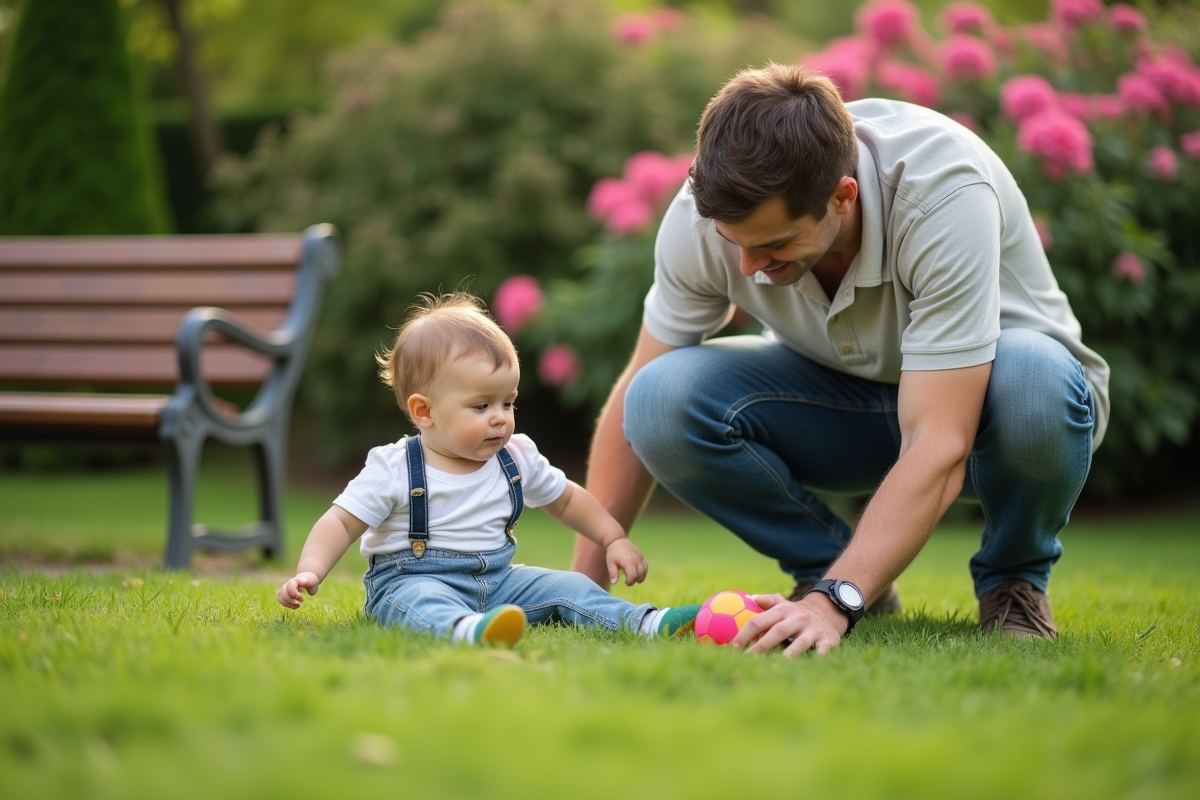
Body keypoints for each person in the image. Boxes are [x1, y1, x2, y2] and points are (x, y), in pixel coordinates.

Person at [570, 63, 1109, 656]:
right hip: (845, 409)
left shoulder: (941, 190)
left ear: (842, 196)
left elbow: (940, 440)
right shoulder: (702, 216)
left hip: (1001, 419)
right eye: (735, 242)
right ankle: (841, 573)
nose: (749, 268)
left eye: (775, 244)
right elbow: (634, 388)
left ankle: (1014, 582)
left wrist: (835, 606)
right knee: (656, 398)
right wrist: (584, 582)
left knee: (1036, 379)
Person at [276, 292, 699, 647]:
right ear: (425, 411)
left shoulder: (515, 456)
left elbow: (566, 499)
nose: (500, 417)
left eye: (508, 402)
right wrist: (310, 570)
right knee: (421, 600)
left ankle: (645, 623)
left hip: (498, 583)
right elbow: (341, 521)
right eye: (482, 406)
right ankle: (464, 629)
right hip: (411, 581)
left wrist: (612, 537)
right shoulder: (395, 468)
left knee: (568, 586)